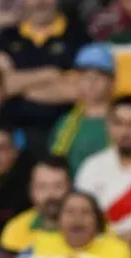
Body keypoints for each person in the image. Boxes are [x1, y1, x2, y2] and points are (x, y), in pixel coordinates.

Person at [0, 0, 88, 151]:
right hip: (10, 134)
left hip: (63, 133)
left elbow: (77, 90)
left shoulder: (78, 38)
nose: (40, 2)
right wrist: (50, 74)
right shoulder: (6, 37)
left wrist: (18, 85)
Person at [20, 190, 131, 258]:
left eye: (85, 212)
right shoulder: (39, 243)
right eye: (70, 212)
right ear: (58, 220)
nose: (77, 218)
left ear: (97, 221)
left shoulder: (118, 250)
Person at [50, 44, 117, 175]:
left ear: (112, 81)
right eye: (85, 76)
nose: (91, 83)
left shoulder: (124, 121)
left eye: (99, 76)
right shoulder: (65, 123)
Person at [74, 96, 131, 238]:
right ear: (108, 126)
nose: (125, 131)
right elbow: (79, 216)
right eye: (119, 123)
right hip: (99, 250)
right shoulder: (91, 166)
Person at [0, 156, 72, 254]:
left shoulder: (89, 225)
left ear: (70, 188)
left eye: (58, 186)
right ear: (31, 191)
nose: (51, 194)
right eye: (42, 187)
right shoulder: (15, 229)